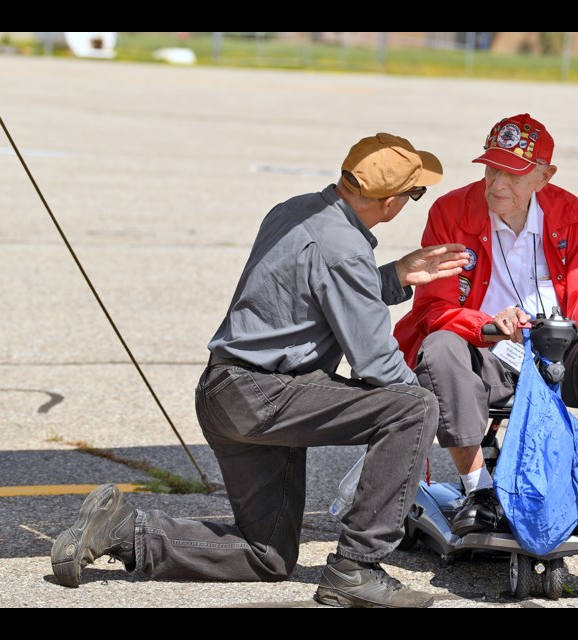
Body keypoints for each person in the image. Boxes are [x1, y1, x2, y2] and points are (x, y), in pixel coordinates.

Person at [51, 133, 471, 608]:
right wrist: (429, 425)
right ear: (393, 202)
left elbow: (318, 289)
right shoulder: (344, 249)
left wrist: (392, 277)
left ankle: (123, 532)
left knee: (267, 555)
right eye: (416, 194)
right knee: (412, 408)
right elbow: (378, 364)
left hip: (227, 390)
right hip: (265, 395)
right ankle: (356, 569)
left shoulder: (294, 210)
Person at [393, 113, 578, 542]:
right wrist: (486, 324)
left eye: (513, 173)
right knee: (438, 348)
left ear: (545, 176)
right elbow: (436, 306)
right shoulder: (451, 211)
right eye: (491, 169)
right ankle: (480, 492)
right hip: (486, 354)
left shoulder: (568, 211)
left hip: (556, 356)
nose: (496, 184)